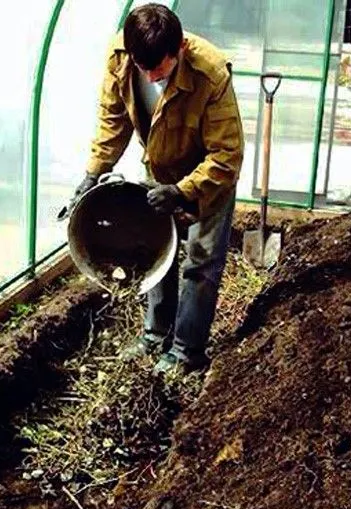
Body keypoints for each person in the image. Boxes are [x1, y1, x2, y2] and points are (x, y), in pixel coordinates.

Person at [65, 4, 244, 376]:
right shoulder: (121, 57)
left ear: (178, 48)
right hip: (161, 167)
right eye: (142, 68)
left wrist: (183, 192)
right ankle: (155, 336)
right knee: (153, 251)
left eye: (157, 69)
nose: (148, 77)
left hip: (209, 179)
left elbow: (226, 155)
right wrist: (92, 173)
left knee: (201, 260)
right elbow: (113, 120)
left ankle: (185, 352)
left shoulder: (210, 73)